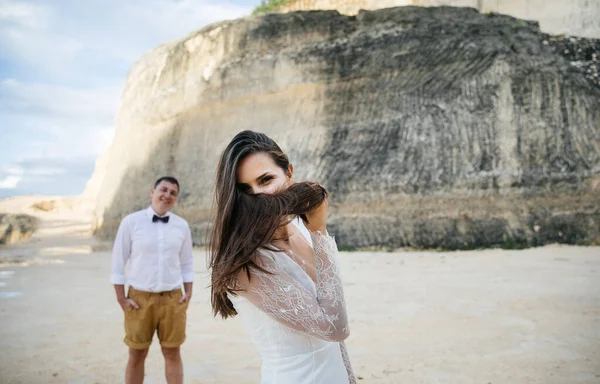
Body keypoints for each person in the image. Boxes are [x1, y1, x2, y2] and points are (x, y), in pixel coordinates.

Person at [209, 131, 356, 383]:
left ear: (289, 172)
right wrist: (320, 232)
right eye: (245, 190)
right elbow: (336, 328)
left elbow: (334, 342)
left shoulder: (302, 227)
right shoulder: (246, 263)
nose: (259, 196)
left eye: (265, 180)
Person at [110, 176, 194, 384]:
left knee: (173, 353)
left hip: (173, 299)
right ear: (152, 192)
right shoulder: (131, 222)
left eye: (173, 193)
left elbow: (187, 263)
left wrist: (188, 293)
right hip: (139, 300)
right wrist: (121, 298)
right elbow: (118, 263)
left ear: (175, 199)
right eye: (163, 190)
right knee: (137, 355)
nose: (167, 195)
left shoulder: (182, 226)